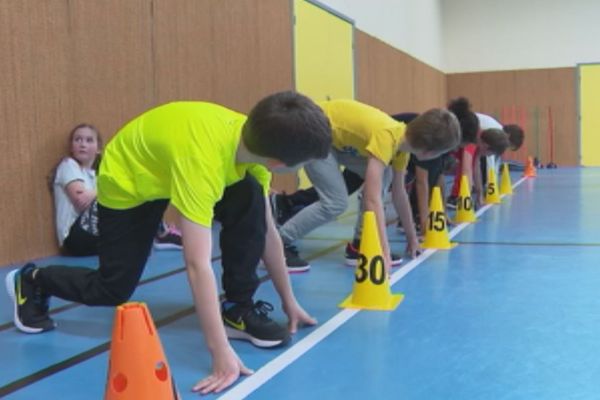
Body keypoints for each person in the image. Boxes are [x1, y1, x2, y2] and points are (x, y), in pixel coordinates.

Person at [6, 91, 332, 395]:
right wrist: (220, 353)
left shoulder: (251, 144)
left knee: (248, 199)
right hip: (129, 180)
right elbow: (196, 264)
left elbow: (267, 230)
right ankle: (33, 280)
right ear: (279, 162)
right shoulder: (203, 163)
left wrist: (289, 301)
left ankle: (237, 308)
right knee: (112, 289)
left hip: (168, 165)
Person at [276, 99, 461, 273]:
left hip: (335, 140)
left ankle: (361, 243)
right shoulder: (386, 137)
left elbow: (399, 194)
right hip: (313, 132)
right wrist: (384, 252)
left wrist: (412, 239)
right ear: (429, 152)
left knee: (386, 173)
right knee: (335, 203)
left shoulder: (401, 146)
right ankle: (278, 242)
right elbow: (372, 199)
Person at [51, 124, 182, 257]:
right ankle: (160, 234)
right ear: (71, 147)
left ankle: (157, 232)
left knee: (142, 188)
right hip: (74, 240)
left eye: (89, 140)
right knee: (125, 189)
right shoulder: (68, 165)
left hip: (98, 239)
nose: (82, 144)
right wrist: (103, 193)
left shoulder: (98, 175)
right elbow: (81, 201)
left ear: (98, 148)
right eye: (78, 140)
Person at [446, 98, 510, 209]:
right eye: (490, 154)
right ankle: (455, 197)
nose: (488, 157)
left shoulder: (479, 143)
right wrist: (467, 196)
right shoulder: (473, 141)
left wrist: (480, 194)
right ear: (486, 146)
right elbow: (467, 169)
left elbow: (476, 168)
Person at [475, 113, 525, 186]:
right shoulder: (497, 133)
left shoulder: (498, 129)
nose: (506, 148)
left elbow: (496, 161)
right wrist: (492, 183)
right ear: (508, 136)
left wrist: (493, 179)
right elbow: (490, 160)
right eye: (508, 145)